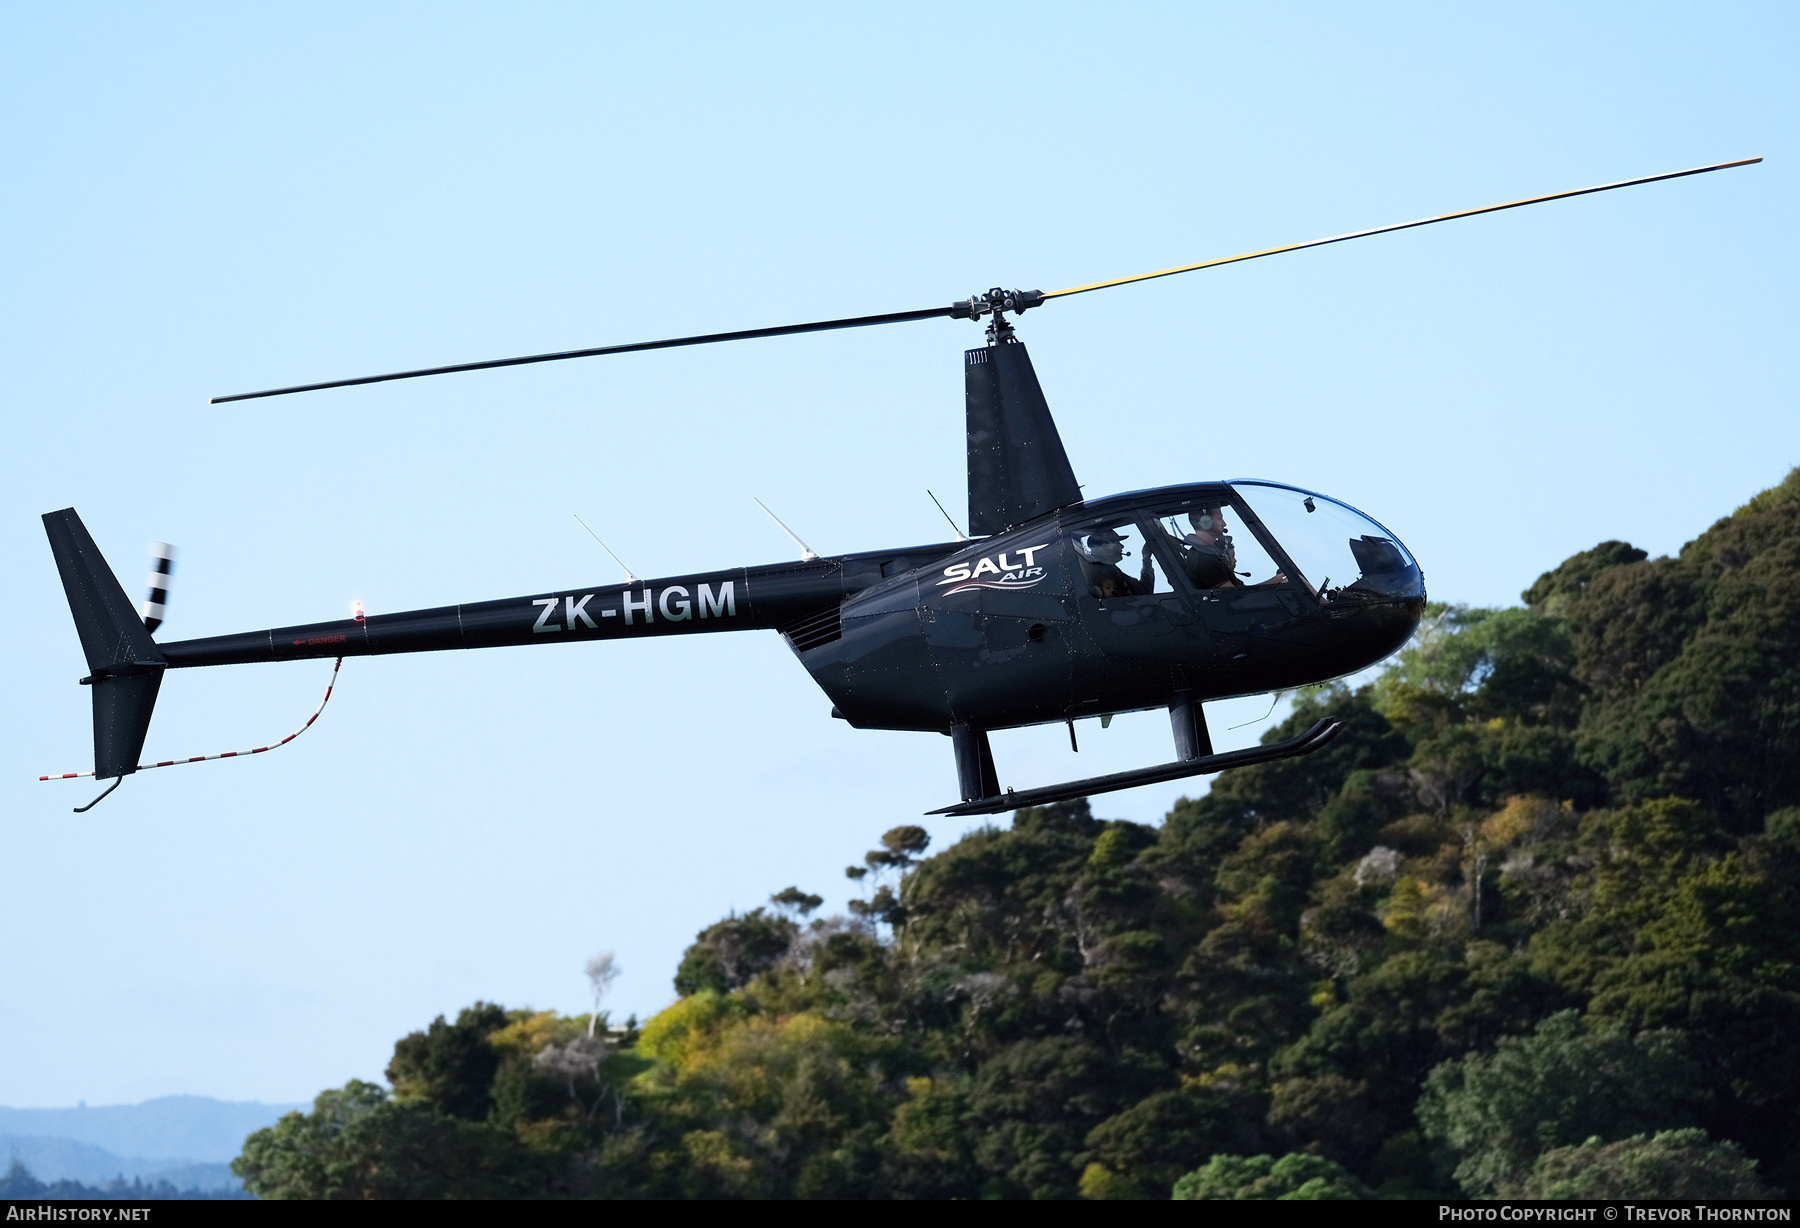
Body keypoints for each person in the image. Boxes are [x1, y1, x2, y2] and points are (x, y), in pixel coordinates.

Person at [1077, 527, 1151, 599]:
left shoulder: (1113, 570)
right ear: (1103, 548)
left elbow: (1144, 590)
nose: (1122, 546)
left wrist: (1146, 559)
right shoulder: (1089, 570)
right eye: (1117, 542)